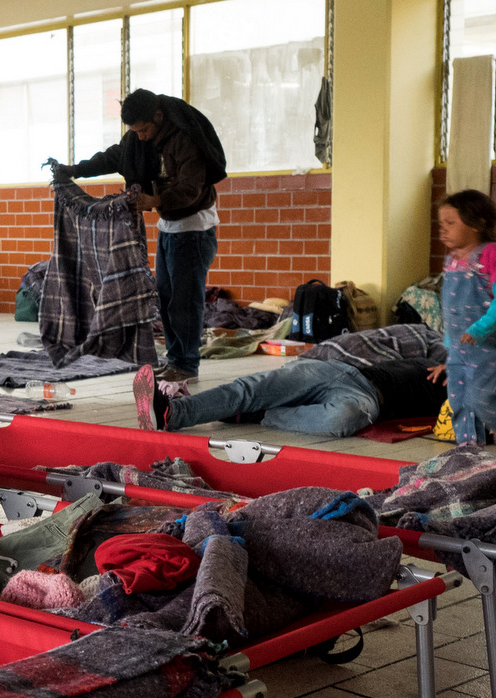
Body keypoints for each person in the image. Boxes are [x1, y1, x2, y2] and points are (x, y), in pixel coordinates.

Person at [50, 89, 227, 383]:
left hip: (195, 229)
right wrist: (75, 171)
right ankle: (176, 359)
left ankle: (186, 365)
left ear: (158, 117)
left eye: (144, 130)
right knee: (168, 298)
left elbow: (190, 188)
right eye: (135, 132)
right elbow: (112, 158)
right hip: (171, 228)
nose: (140, 137)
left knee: (185, 302)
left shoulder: (184, 141)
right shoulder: (139, 141)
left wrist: (154, 201)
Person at [131, 334, 448, 438]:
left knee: (344, 418)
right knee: (252, 387)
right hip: (335, 370)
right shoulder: (442, 355)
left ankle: (258, 415)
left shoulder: (463, 392)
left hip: (365, 398)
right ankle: (173, 412)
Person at [437, 189, 496, 448]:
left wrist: (480, 329)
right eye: (441, 224)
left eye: (451, 223)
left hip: (487, 344)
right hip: (459, 348)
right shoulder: (452, 260)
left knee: (480, 397)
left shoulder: (492, 252)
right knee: (459, 401)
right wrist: (448, 351)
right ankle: (469, 450)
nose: (443, 230)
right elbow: (450, 308)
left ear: (477, 224)